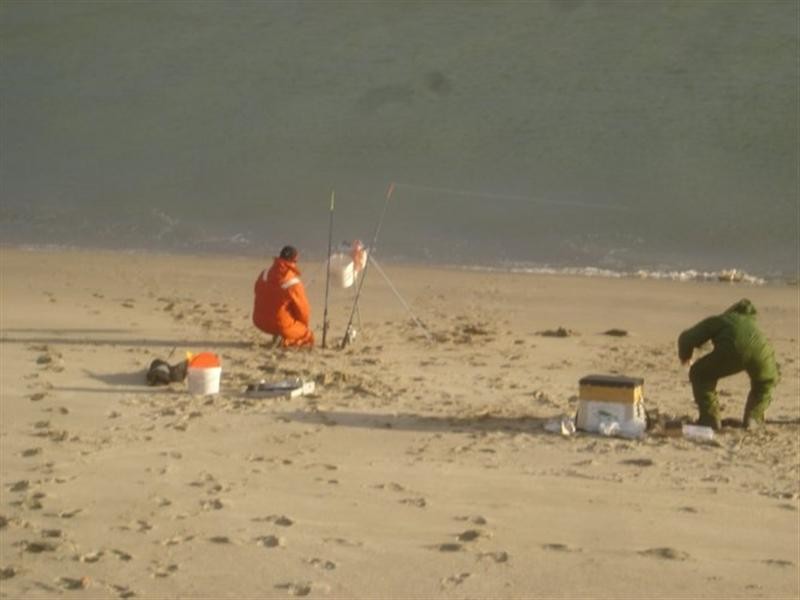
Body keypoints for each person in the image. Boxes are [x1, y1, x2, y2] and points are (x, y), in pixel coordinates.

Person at [677, 298, 778, 430]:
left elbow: (687, 338)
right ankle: (754, 417)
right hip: (763, 352)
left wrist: (686, 357)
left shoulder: (721, 321)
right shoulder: (753, 325)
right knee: (765, 382)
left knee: (700, 374)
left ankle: (709, 419)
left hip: (733, 347)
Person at [252, 245, 314, 348]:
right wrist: (302, 325)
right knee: (308, 335)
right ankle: (286, 341)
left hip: (258, 320)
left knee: (281, 307)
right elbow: (304, 311)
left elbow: (258, 292)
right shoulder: (293, 282)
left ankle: (280, 334)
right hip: (279, 325)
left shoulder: (264, 273)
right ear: (294, 260)